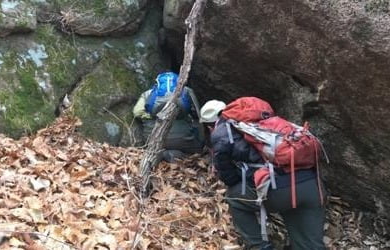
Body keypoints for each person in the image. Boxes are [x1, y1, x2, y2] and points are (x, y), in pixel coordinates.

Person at [199, 99, 326, 250]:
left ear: (209, 125)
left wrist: (243, 175)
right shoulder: (265, 123)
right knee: (310, 245)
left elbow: (229, 178)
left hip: (282, 191)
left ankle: (260, 246)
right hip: (312, 185)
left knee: (235, 197)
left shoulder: (221, 133)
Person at [133, 71, 204, 162]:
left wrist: (153, 116)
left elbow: (137, 112)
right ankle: (178, 154)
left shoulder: (148, 94)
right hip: (183, 139)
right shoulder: (187, 91)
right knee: (195, 146)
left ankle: (162, 153)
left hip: (154, 138)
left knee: (153, 138)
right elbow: (198, 115)